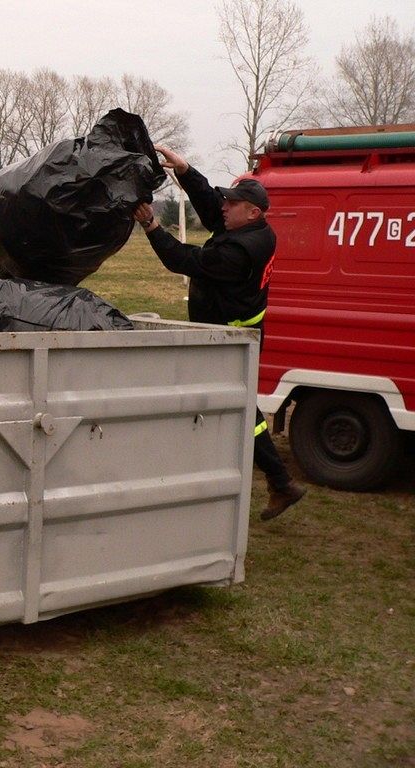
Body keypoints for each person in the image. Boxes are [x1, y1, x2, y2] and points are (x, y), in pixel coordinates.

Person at [133, 144, 306, 522]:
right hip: (232, 334)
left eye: (232, 203)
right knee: (242, 408)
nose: (224, 207)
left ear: (253, 212)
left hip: (228, 339)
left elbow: (182, 260)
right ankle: (278, 482)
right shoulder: (251, 228)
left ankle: (272, 481)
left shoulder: (239, 250)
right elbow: (213, 207)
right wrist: (185, 170)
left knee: (234, 407)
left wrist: (151, 226)